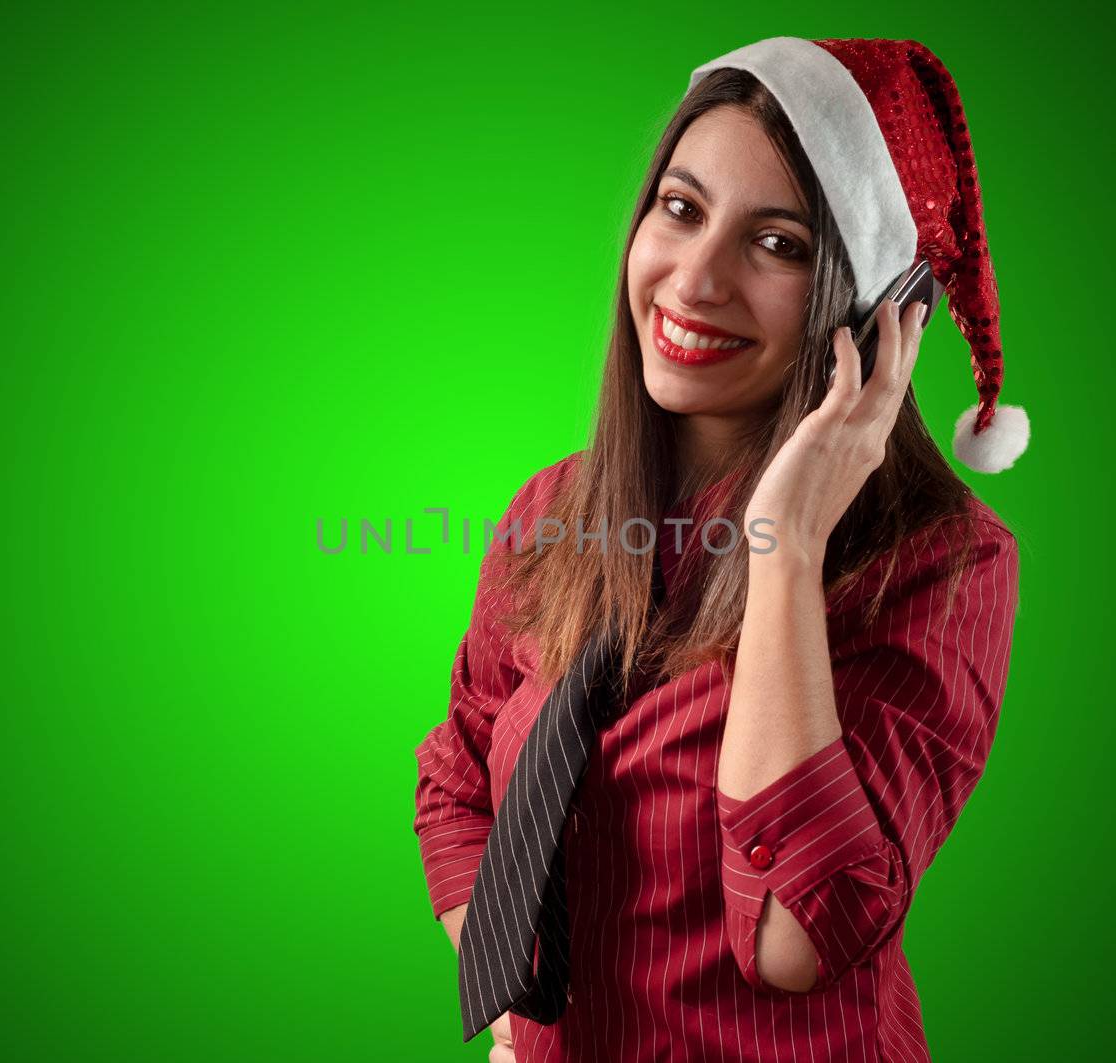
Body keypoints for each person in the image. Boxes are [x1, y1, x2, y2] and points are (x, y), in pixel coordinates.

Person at [413, 37, 1024, 1062]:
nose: (693, 279)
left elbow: (798, 934)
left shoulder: (943, 562)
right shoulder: (554, 508)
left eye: (778, 244)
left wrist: (782, 554)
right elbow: (460, 774)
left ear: (870, 313)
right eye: (681, 210)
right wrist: (518, 991)